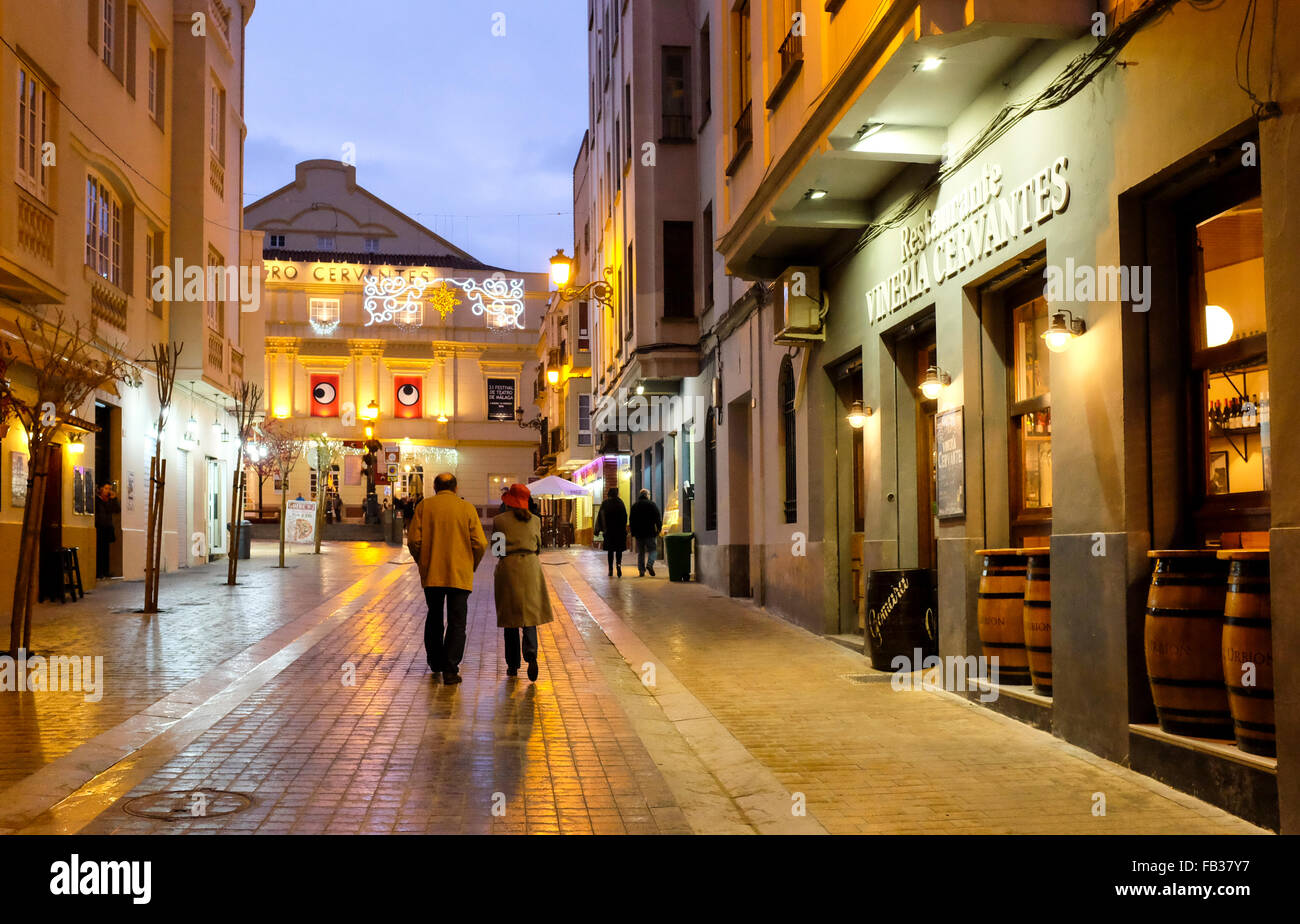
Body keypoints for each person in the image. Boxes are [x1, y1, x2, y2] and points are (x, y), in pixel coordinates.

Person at [406, 472, 488, 684]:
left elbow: (414, 541)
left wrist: (423, 561)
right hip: (459, 574)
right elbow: (480, 543)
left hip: (432, 573)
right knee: (457, 621)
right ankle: (451, 669)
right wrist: (471, 564)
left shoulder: (424, 507)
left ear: (434, 488)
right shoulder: (466, 508)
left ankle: (435, 661)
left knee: (434, 617)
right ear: (456, 488)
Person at [492, 483, 554, 682]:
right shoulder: (535, 521)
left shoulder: (499, 521)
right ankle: (531, 655)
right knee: (529, 616)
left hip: (509, 569)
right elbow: (539, 546)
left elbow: (497, 550)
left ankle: (512, 665)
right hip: (530, 568)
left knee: (511, 619)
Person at [595, 488, 628, 577]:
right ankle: (618, 565)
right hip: (619, 532)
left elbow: (600, 517)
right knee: (618, 550)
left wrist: (598, 529)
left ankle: (610, 569)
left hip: (609, 532)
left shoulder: (605, 503)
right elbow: (625, 517)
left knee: (610, 551)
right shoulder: (620, 503)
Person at [629, 489, 663, 577]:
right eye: (649, 494)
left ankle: (641, 571)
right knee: (653, 550)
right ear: (647, 495)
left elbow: (631, 520)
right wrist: (659, 529)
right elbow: (657, 518)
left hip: (639, 534)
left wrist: (633, 532)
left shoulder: (635, 506)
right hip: (650, 532)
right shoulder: (652, 504)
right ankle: (650, 564)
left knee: (641, 552)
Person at [94, 483, 120, 579]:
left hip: (107, 528)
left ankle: (105, 571)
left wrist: (114, 499)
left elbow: (117, 510)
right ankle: (99, 572)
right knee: (99, 550)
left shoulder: (109, 501)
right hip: (99, 527)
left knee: (106, 550)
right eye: (105, 488)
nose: (107, 490)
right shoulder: (97, 500)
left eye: (109, 488)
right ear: (101, 489)